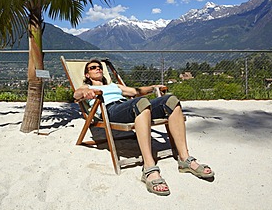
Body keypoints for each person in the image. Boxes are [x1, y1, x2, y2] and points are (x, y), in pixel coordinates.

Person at [74, 59, 214, 196]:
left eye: (99, 66)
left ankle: (185, 158)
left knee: (171, 100)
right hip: (111, 111)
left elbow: (135, 92)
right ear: (87, 74)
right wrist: (85, 93)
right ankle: (149, 166)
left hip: (127, 106)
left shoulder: (114, 86)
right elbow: (77, 94)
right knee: (141, 103)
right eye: (93, 67)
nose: (97, 68)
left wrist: (153, 88)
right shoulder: (88, 87)